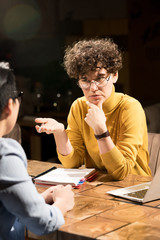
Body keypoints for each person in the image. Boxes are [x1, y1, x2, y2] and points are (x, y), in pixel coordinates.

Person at [35, 38, 151, 180]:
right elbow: (72, 163)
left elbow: (121, 172)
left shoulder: (130, 108)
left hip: (135, 188)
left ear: (115, 75)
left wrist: (100, 130)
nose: (93, 88)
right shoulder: (79, 106)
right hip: (97, 188)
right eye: (85, 80)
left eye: (100, 78)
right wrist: (60, 133)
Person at [0, 62, 74, 240]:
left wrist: (37, 200)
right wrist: (63, 202)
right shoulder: (5, 154)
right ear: (10, 106)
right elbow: (43, 223)